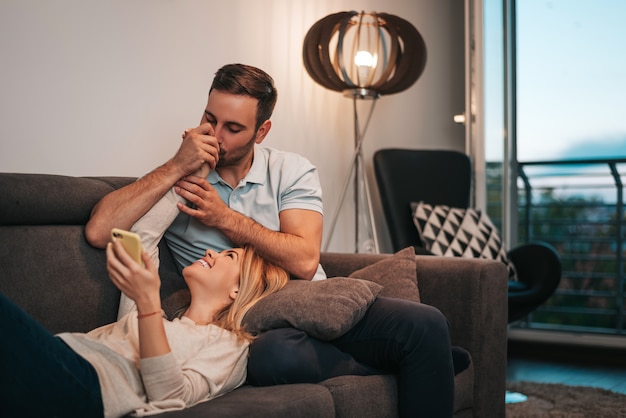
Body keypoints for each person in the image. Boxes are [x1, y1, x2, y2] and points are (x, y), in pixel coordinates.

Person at [85, 63, 460, 417]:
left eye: (233, 128)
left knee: (424, 323)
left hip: (309, 299)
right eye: (209, 119)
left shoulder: (289, 170)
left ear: (261, 132)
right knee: (274, 359)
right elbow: (100, 230)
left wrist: (226, 219)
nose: (215, 137)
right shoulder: (183, 181)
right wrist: (176, 166)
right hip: (249, 315)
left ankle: (422, 352)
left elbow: (303, 261)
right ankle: (394, 362)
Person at [0, 239, 290, 418]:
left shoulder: (229, 344)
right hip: (60, 354)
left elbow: (172, 398)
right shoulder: (155, 314)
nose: (211, 252)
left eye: (229, 256)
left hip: (87, 386)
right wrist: (185, 170)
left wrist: (148, 303)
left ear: (239, 289)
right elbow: (144, 236)